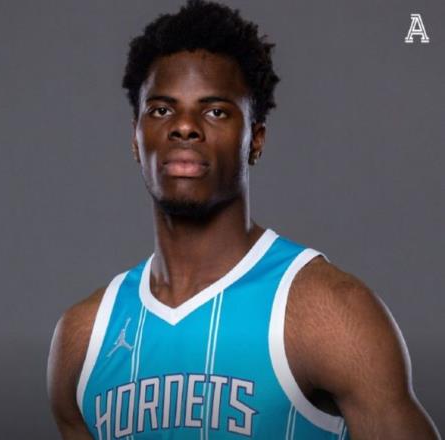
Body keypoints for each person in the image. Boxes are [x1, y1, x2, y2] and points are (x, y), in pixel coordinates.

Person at [46, 1, 441, 439]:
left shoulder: (326, 312)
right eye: (161, 110)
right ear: (136, 139)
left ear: (255, 140)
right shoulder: (84, 340)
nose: (184, 127)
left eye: (215, 111)